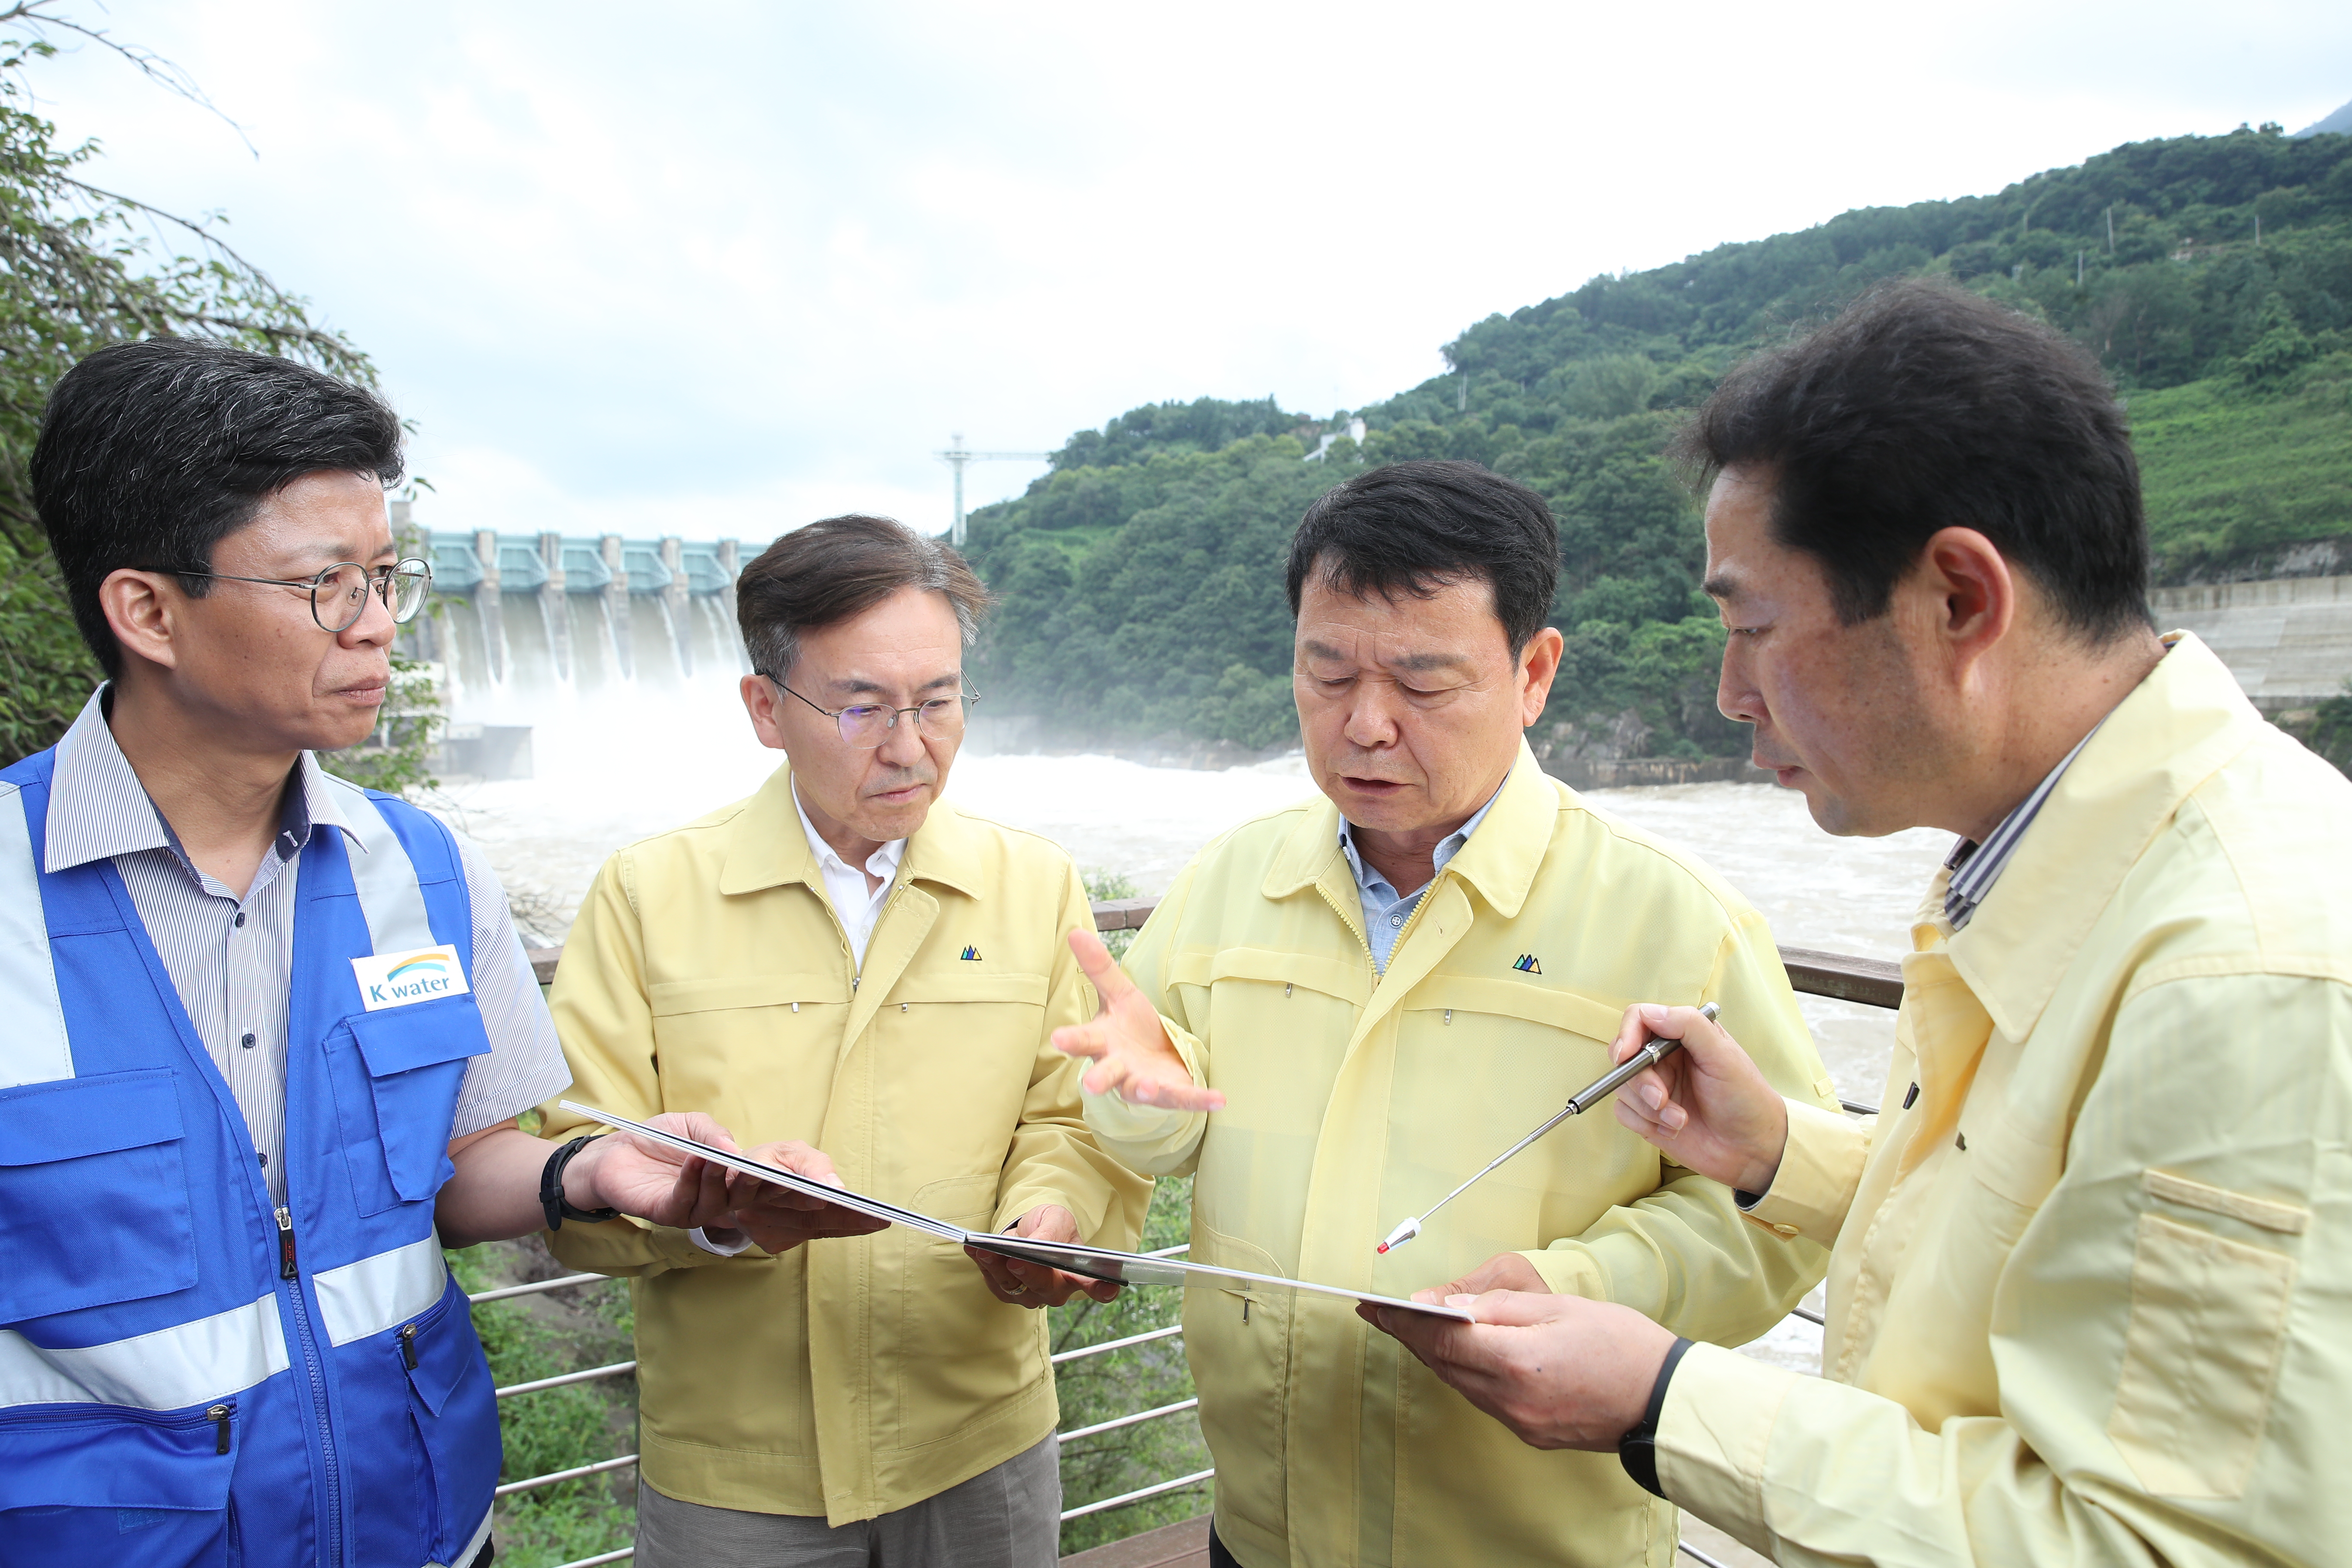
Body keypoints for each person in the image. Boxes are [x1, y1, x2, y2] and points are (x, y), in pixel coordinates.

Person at [1366, 281, 2352, 1565]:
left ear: (1959, 602)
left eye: (1755, 628)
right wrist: (1781, 1151)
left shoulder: (2245, 968)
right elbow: (2038, 1219)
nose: (1729, 693)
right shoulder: (2065, 849)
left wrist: (1667, 1403)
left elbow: (2162, 1542)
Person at [0, 337, 822, 1568]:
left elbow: (456, 1167)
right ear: (149, 611)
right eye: (329, 585)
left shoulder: (424, 873)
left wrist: (587, 1175)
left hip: (426, 1537)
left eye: (389, 575)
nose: (381, 626)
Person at [1055, 460, 1842, 1568]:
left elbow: (1776, 1218)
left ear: (1535, 673)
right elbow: (1166, 1128)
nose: (1365, 727)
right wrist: (1136, 1102)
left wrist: (1576, 1290)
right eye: (1326, 675)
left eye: (1424, 686)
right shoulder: (1231, 883)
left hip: (1534, 1542)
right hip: (1265, 1531)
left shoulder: (1674, 921)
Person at [538, 513, 1152, 1568]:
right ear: (765, 710)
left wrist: (1050, 1217)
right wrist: (714, 1215)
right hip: (738, 1478)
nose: (910, 746)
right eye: (861, 706)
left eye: (939, 701)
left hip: (983, 1445)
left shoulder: (1034, 885)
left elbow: (1071, 1115)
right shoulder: (650, 895)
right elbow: (571, 1173)